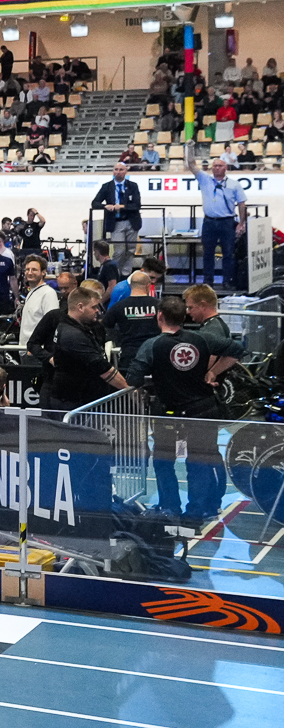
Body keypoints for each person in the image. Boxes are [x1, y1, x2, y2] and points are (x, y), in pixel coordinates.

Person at [127, 296, 242, 524]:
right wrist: (212, 372)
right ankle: (197, 513)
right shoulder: (202, 338)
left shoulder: (152, 345)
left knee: (163, 460)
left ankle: (169, 507)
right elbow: (237, 350)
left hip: (169, 412)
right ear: (184, 316)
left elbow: (133, 378)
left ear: (159, 316)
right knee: (199, 461)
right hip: (203, 410)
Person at [42, 285, 128, 411]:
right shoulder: (71, 334)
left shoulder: (79, 327)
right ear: (80, 307)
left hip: (80, 398)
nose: (97, 311)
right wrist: (128, 389)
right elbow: (103, 369)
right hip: (72, 401)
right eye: (93, 307)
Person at [196, 159, 248, 290]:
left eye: (220, 166)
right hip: (209, 221)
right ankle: (208, 281)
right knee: (208, 253)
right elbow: (191, 165)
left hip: (227, 222)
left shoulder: (234, 184)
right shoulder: (205, 180)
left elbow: (242, 204)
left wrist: (242, 223)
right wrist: (189, 149)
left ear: (226, 168)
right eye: (215, 166)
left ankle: (227, 281)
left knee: (229, 253)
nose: (217, 168)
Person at [91, 165, 142, 271]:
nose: (118, 172)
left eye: (121, 170)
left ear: (126, 172)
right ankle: (115, 272)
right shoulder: (107, 186)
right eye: (116, 170)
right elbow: (95, 203)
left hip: (131, 222)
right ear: (113, 172)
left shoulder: (133, 186)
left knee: (131, 250)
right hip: (116, 223)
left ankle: (126, 274)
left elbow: (137, 205)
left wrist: (123, 207)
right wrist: (105, 206)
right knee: (119, 250)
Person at [16, 255, 58, 346]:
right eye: (27, 269)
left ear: (43, 272)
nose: (30, 273)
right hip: (25, 348)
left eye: (34, 269)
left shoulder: (48, 293)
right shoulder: (31, 293)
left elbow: (52, 324)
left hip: (38, 351)